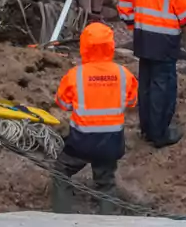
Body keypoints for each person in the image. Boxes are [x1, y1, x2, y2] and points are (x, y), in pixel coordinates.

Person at [116, 0, 186, 148]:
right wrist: (176, 25)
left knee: (147, 83)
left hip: (142, 38)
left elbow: (123, 6)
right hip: (166, 41)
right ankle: (160, 134)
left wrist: (133, 24)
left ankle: (146, 128)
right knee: (164, 85)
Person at [51, 22, 138, 215]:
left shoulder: (75, 75)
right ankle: (107, 224)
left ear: (84, 46)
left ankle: (61, 218)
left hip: (82, 141)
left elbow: (63, 104)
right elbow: (132, 101)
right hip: (112, 141)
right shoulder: (123, 74)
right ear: (110, 46)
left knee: (61, 171)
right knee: (106, 182)